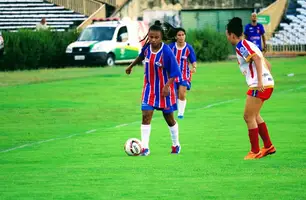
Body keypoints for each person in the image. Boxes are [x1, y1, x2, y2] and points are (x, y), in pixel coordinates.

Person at [125, 21, 182, 156]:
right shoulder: (147, 47)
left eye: (156, 37)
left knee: (170, 119)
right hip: (149, 90)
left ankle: (176, 144)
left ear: (161, 37)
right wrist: (131, 66)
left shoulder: (167, 52)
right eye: (151, 37)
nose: (153, 40)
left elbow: (175, 72)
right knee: (146, 117)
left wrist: (167, 86)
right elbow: (141, 56)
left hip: (164, 91)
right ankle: (145, 148)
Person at [226, 17, 276, 160]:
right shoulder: (250, 44)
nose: (227, 37)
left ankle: (254, 151)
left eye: (227, 34)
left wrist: (260, 80)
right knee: (255, 115)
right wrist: (266, 78)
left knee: (248, 117)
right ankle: (268, 146)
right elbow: (267, 64)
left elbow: (258, 59)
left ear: (232, 35)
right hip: (266, 83)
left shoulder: (241, 45)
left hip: (259, 85)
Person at [168, 28, 197, 119]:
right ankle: (174, 109)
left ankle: (180, 114)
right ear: (176, 37)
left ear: (185, 36)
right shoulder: (171, 47)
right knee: (174, 93)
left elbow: (193, 60)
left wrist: (194, 67)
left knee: (182, 92)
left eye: (183, 35)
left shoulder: (188, 48)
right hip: (172, 75)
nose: (181, 37)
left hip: (184, 74)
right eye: (179, 35)